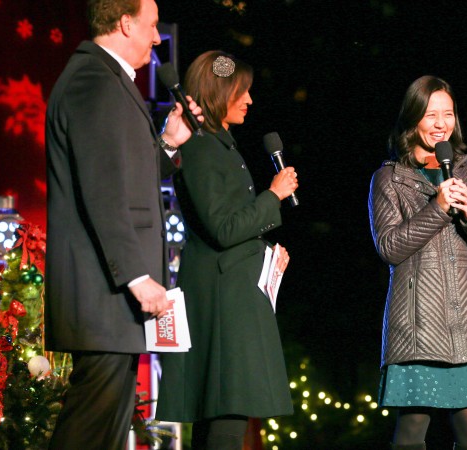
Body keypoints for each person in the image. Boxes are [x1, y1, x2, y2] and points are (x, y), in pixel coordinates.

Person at [44, 0, 202, 448]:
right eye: (152, 26)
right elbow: (104, 191)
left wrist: (169, 143)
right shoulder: (93, 81)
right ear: (125, 22)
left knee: (103, 432)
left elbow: (125, 173)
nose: (157, 38)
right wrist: (137, 276)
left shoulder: (108, 80)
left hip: (109, 302)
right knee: (89, 433)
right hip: (103, 294)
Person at [155, 50, 296, 450]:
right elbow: (222, 227)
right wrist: (273, 196)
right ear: (220, 93)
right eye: (242, 92)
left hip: (233, 293)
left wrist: (267, 252)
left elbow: (231, 224)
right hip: (220, 300)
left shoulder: (221, 146)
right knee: (226, 415)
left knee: (226, 416)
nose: (249, 101)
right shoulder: (200, 148)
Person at [368, 75, 467, 450]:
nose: (441, 123)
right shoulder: (388, 179)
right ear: (413, 119)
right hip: (418, 326)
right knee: (412, 434)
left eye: (448, 114)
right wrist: (439, 208)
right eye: (431, 115)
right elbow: (390, 248)